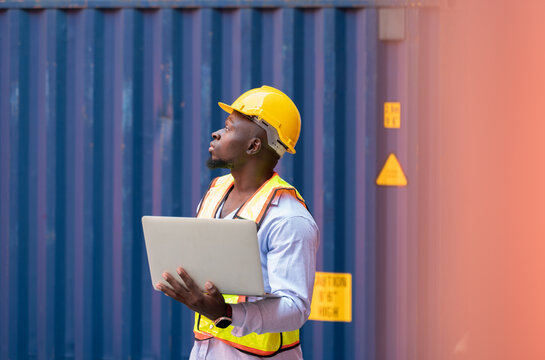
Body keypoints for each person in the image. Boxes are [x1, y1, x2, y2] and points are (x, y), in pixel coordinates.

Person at [156, 86, 319, 359]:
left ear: (254, 145)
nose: (216, 133)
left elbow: (295, 308)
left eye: (229, 128)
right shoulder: (215, 193)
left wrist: (225, 313)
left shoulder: (289, 218)